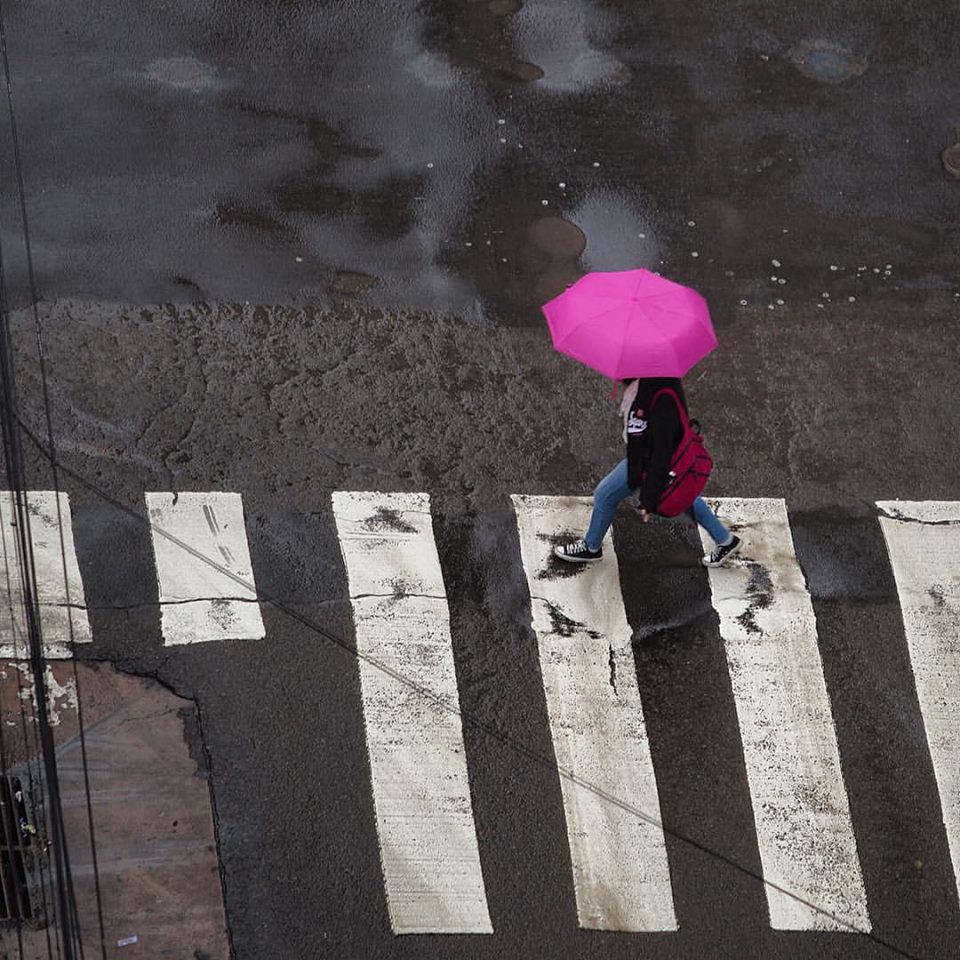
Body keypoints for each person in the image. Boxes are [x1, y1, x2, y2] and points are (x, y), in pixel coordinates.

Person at [554, 376, 742, 567]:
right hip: (652, 462)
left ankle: (591, 547)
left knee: (605, 495)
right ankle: (726, 540)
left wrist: (649, 498)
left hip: (651, 465)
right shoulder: (653, 383)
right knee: (685, 497)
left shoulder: (661, 398)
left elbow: (661, 452)